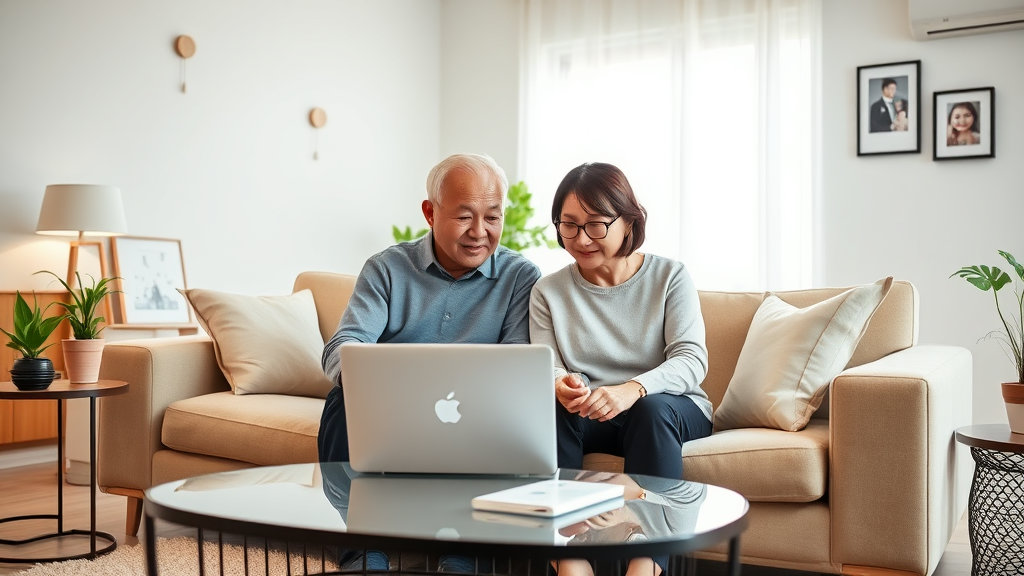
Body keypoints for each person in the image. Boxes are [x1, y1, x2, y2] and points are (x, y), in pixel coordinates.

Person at [318, 153, 541, 571]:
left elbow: (520, 366)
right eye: (464, 217)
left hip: (479, 420)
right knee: (339, 400)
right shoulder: (386, 269)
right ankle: (365, 557)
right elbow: (341, 347)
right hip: (390, 415)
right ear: (429, 212)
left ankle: (462, 557)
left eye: (492, 217)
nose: (480, 232)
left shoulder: (520, 277)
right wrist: (378, 383)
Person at [529, 162, 712, 576]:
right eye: (568, 225)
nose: (579, 239)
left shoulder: (670, 276)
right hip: (591, 410)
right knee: (552, 410)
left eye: (595, 225)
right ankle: (569, 558)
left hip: (668, 409)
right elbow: (546, 363)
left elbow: (691, 360)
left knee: (653, 410)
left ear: (628, 220)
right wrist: (562, 384)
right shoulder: (548, 291)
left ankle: (645, 564)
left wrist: (633, 388)